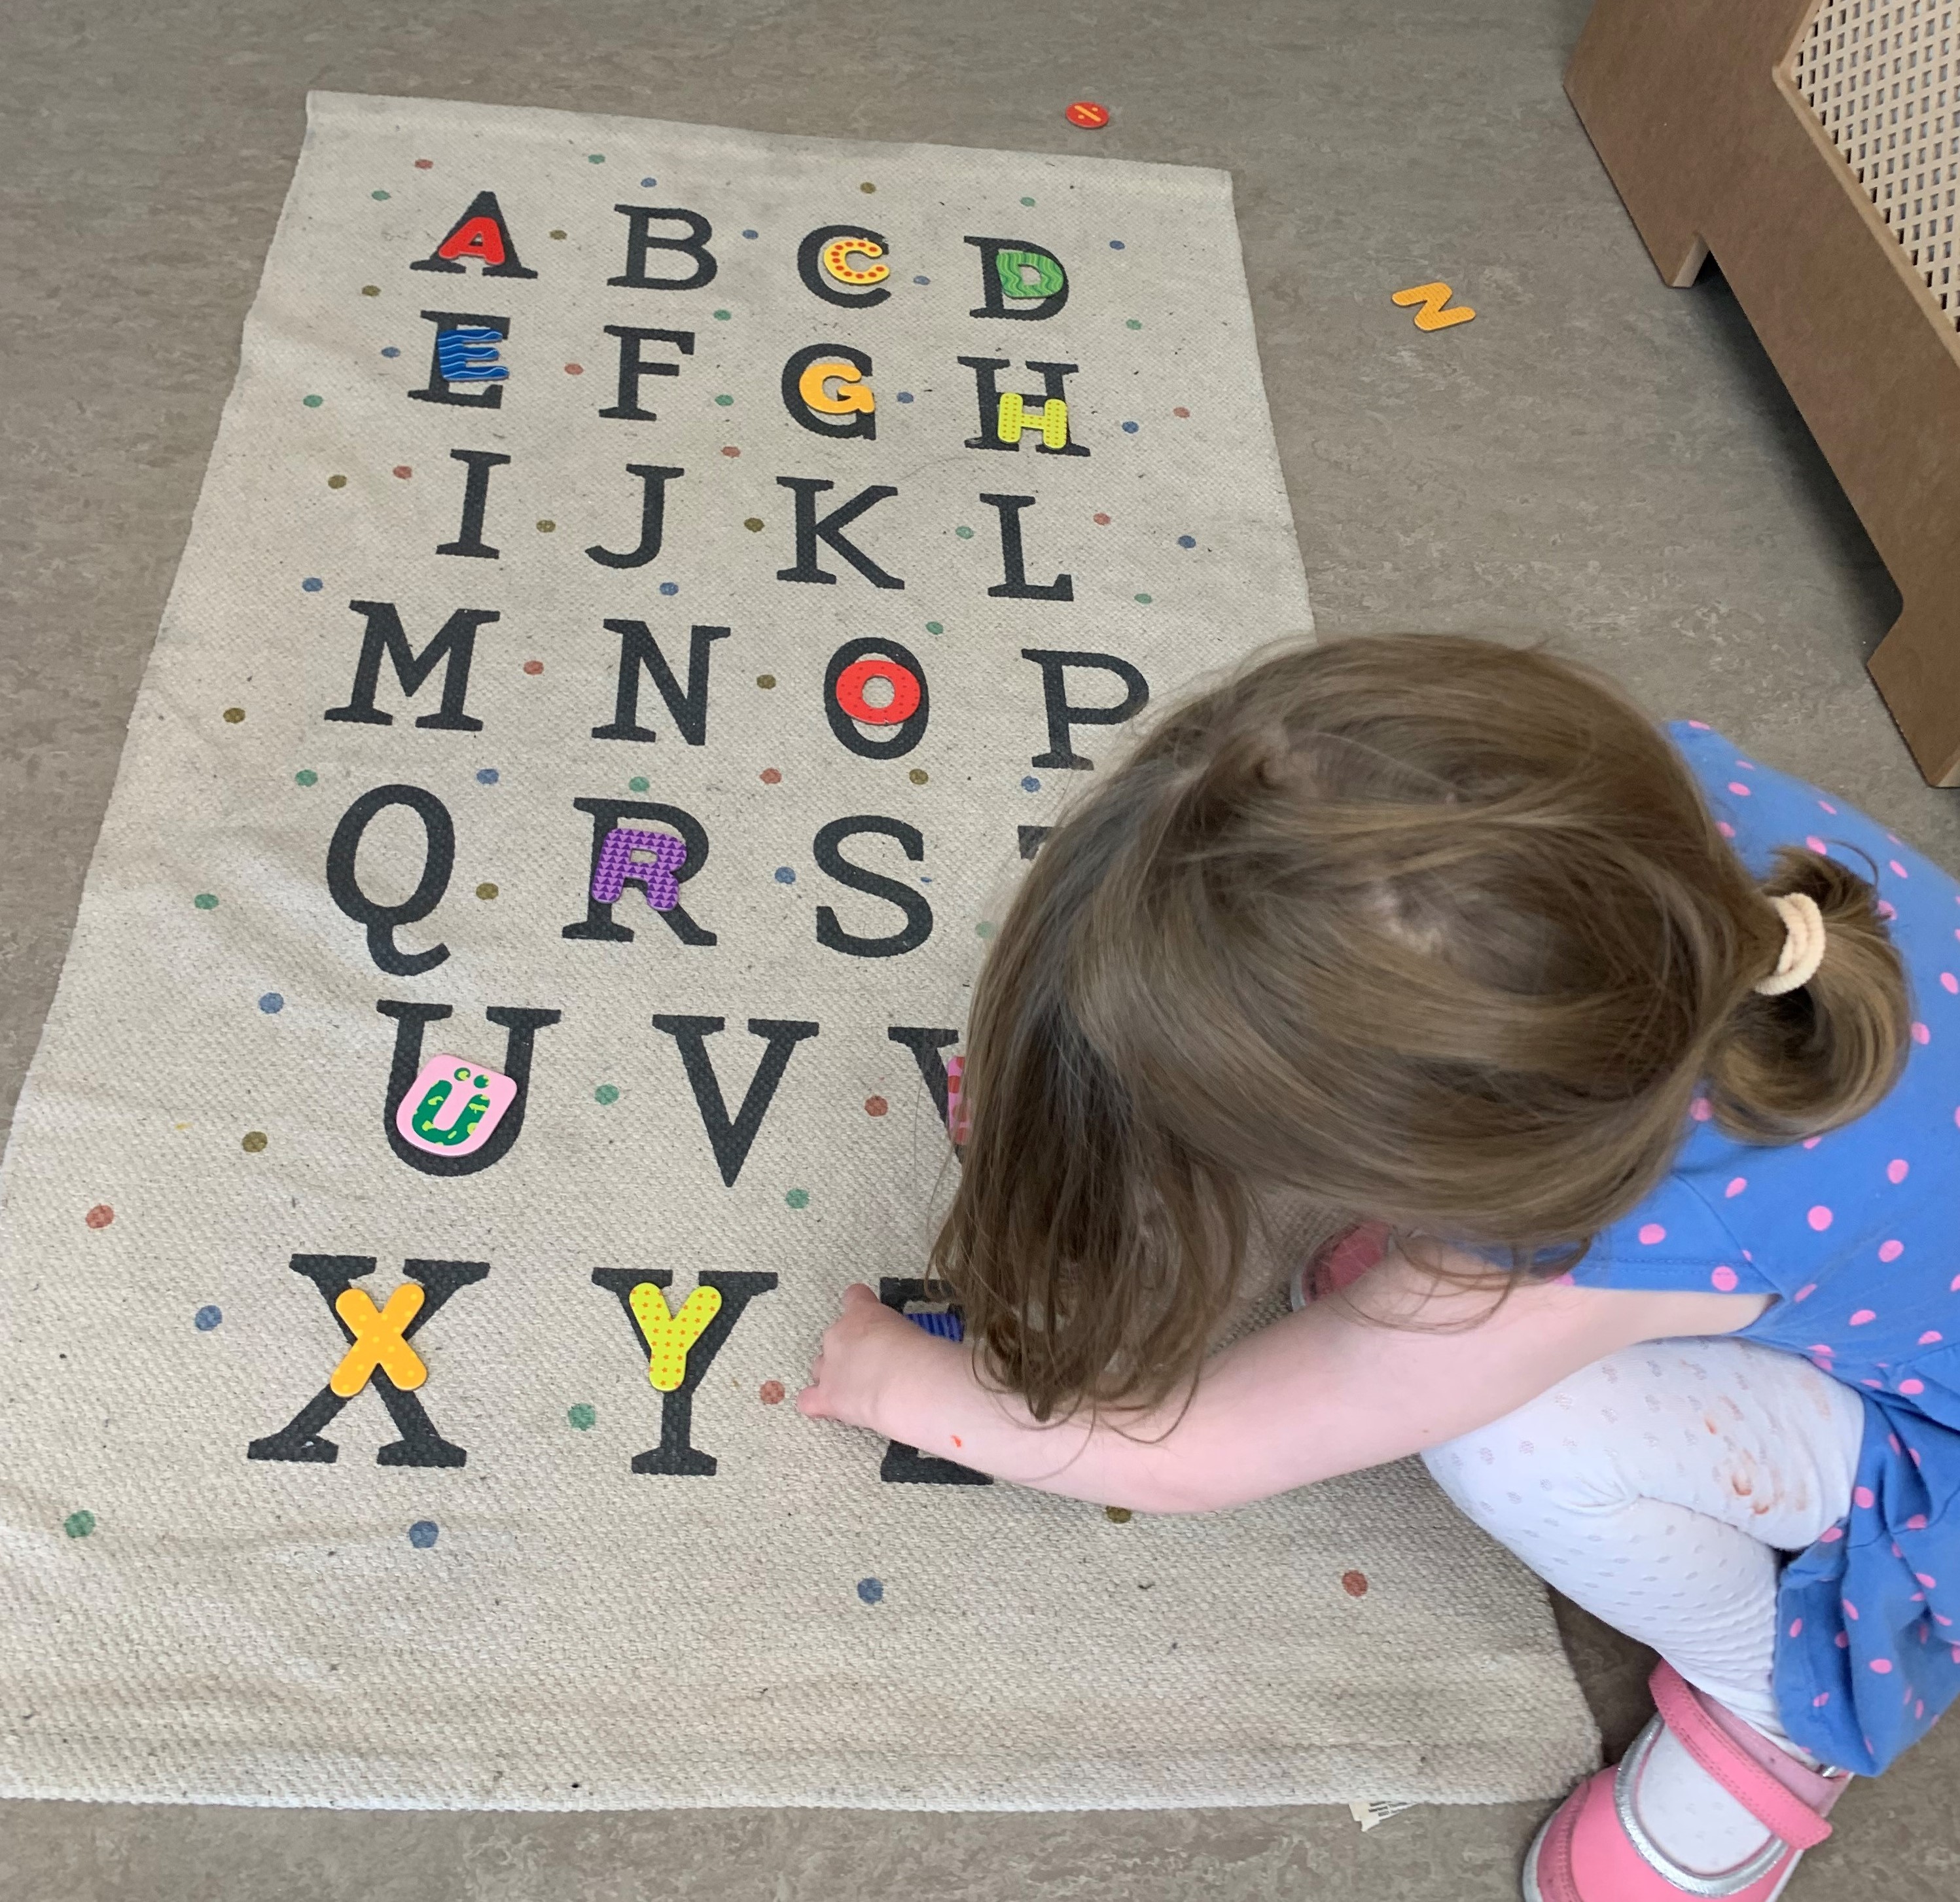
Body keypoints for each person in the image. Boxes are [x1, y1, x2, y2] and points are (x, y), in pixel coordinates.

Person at [798, 635, 1960, 1902]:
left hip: (1935, 1433)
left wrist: (898, 1383)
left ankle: (1778, 1702)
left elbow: (1193, 1451)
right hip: (1876, 1233)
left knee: (1516, 1436)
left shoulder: (1621, 1238)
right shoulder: (1632, 808)